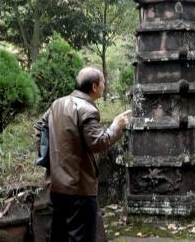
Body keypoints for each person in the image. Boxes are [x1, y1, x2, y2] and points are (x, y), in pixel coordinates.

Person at [34, 67, 131, 241]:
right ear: (95, 86)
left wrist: (50, 159)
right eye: (103, 81)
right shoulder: (87, 109)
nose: (104, 84)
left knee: (59, 235)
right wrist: (116, 126)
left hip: (56, 184)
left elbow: (40, 128)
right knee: (82, 237)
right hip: (79, 188)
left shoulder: (57, 103)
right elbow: (97, 143)